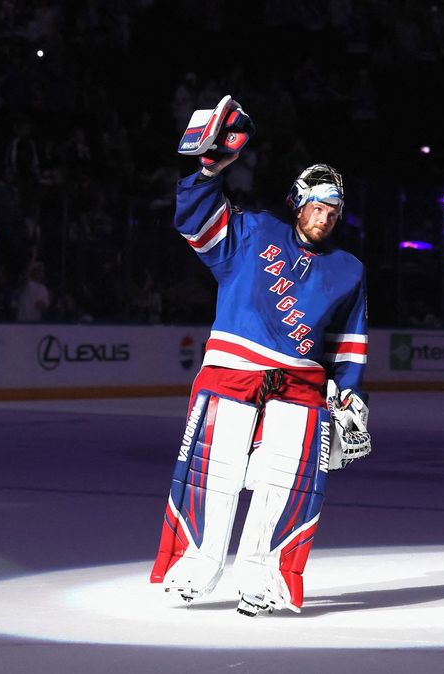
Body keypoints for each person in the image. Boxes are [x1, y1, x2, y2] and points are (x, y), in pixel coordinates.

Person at [150, 96, 371, 617]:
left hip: (301, 383)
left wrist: (349, 391)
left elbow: (349, 341)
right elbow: (193, 221)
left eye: (333, 211)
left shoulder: (349, 269)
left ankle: (262, 577)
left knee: (283, 483)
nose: (324, 217)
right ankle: (196, 567)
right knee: (215, 472)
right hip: (233, 369)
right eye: (317, 207)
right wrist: (210, 170)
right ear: (298, 203)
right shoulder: (254, 230)